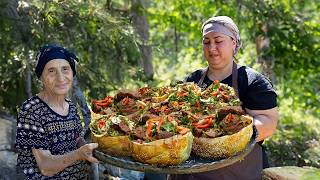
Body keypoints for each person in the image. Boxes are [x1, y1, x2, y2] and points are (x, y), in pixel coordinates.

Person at [169, 16, 279, 180]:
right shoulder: (192, 80)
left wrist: (229, 136)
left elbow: (268, 122)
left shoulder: (251, 81)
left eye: (218, 41)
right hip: (190, 171)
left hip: (235, 173)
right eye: (206, 42)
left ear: (233, 43)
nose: (211, 47)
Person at [15, 44, 99, 179]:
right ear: (41, 77)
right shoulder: (31, 110)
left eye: (65, 69)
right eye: (51, 71)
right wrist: (78, 154)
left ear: (72, 73)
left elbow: (77, 139)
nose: (60, 78)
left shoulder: (71, 107)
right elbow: (45, 167)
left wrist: (92, 148)